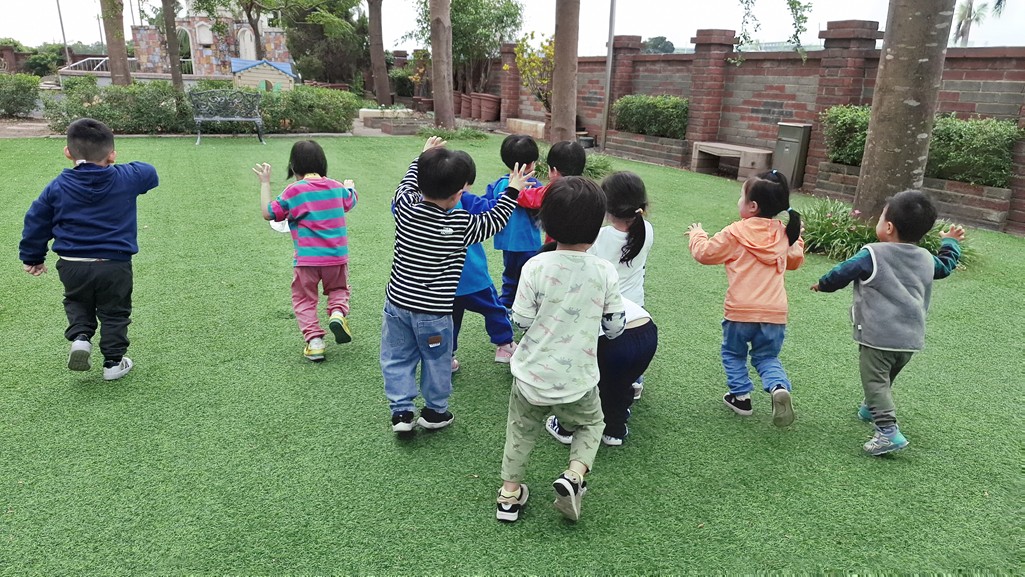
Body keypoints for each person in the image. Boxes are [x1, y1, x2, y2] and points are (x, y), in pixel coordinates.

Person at [496, 176, 626, 523]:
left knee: (520, 432)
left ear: (546, 224)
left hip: (530, 375)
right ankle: (574, 475)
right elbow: (615, 327)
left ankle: (508, 496)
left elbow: (521, 320)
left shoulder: (534, 266)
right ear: (596, 229)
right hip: (577, 379)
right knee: (592, 424)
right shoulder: (604, 271)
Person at [383, 137, 531, 433]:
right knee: (437, 360)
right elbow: (496, 219)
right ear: (457, 196)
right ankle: (435, 412)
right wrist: (513, 188)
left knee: (397, 358)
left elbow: (405, 185)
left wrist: (421, 157)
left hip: (397, 305)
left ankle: (401, 412)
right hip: (434, 313)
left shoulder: (405, 208)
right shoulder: (461, 225)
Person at [812, 190, 964, 455]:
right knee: (885, 376)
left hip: (878, 336)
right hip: (910, 339)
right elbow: (946, 265)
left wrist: (824, 285)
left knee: (874, 380)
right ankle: (870, 408)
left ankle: (887, 432)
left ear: (889, 227)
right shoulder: (926, 258)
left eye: (881, 217)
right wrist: (950, 243)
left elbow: (843, 272)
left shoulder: (872, 254)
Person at [19, 118, 159, 380]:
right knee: (115, 311)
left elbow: (36, 221)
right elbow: (149, 173)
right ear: (112, 154)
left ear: (68, 152)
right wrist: (114, 165)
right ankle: (113, 363)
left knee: (76, 300)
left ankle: (81, 337)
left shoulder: (57, 186)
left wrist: (33, 257)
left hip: (72, 263)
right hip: (114, 264)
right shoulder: (126, 177)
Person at [687, 170, 804, 427]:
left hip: (740, 311)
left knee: (733, 352)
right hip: (774, 314)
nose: (738, 201)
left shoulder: (735, 232)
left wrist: (697, 234)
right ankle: (778, 387)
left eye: (742, 196)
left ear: (753, 206)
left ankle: (741, 397)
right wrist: (798, 239)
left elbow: (705, 254)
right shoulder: (784, 233)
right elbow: (795, 261)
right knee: (767, 357)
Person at [254, 140, 358, 362]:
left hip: (307, 260)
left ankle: (315, 342)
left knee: (304, 299)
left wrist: (265, 183)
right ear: (322, 164)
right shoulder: (336, 187)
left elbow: (269, 213)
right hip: (336, 258)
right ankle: (337, 313)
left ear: (293, 167)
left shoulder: (294, 191)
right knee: (339, 289)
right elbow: (350, 201)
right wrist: (350, 186)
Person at [545, 296, 657, 447]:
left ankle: (566, 429)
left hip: (613, 339)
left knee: (581, 380)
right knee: (620, 384)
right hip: (647, 332)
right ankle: (614, 430)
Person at [587, 171, 654, 400]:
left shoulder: (599, 236)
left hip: (605, 308)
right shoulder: (647, 230)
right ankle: (635, 381)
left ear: (606, 206)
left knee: (603, 352)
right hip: (636, 307)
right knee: (629, 353)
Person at [451, 190, 517, 372]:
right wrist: (510, 192)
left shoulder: (417, 205)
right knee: (494, 310)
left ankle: (446, 357)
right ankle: (506, 344)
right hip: (474, 278)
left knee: (449, 320)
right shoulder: (463, 198)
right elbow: (493, 211)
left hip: (446, 283)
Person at [485, 135, 543, 309]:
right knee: (531, 280)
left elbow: (486, 206)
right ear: (532, 164)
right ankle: (528, 310)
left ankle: (506, 308)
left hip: (507, 244)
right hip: (529, 244)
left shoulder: (498, 185)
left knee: (510, 279)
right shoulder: (534, 185)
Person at [510, 140, 587, 259]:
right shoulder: (588, 189)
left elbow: (526, 198)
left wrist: (515, 186)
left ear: (554, 171)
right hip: (582, 247)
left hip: (555, 247)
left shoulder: (553, 191)